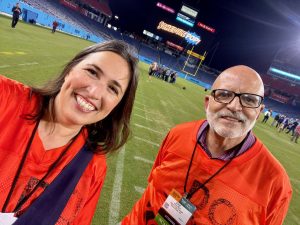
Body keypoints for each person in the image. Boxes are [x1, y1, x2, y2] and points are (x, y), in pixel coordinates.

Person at [122, 65, 292, 225]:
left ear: (259, 112)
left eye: (249, 99)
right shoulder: (178, 134)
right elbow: (153, 187)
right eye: (224, 94)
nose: (234, 106)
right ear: (207, 102)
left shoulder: (275, 183)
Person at [0, 40, 139, 225]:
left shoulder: (93, 169)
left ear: (117, 106)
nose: (94, 92)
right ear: (70, 70)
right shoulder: (5, 98)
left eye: (112, 88)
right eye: (92, 72)